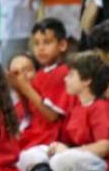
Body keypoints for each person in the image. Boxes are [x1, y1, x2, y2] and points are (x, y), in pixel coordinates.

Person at [16, 51, 109, 171]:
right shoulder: (75, 109)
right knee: (30, 154)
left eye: (71, 75)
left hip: (100, 162)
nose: (65, 79)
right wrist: (57, 147)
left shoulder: (101, 107)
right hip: (74, 155)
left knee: (67, 159)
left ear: (87, 80)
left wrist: (68, 151)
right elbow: (67, 142)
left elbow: (103, 147)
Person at [9, 19, 70, 149]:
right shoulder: (41, 74)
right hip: (35, 133)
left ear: (62, 45)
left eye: (47, 42)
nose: (40, 48)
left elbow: (52, 116)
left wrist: (26, 89)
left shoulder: (63, 72)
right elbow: (29, 112)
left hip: (51, 138)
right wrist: (19, 89)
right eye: (36, 43)